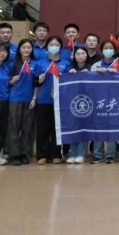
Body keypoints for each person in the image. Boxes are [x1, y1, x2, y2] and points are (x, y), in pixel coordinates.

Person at [33, 36, 68, 165]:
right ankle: (42, 155)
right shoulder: (40, 63)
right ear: (47, 47)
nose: (54, 47)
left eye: (56, 45)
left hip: (60, 101)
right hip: (44, 99)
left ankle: (56, 154)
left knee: (57, 128)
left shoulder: (65, 63)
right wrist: (39, 80)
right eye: (51, 45)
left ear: (61, 48)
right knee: (42, 128)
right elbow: (35, 82)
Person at [7, 39, 36, 166]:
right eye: (24, 47)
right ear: (19, 49)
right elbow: (7, 81)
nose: (26, 50)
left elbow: (36, 83)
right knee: (14, 128)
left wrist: (34, 98)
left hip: (29, 100)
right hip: (15, 99)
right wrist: (12, 80)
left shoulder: (35, 64)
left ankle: (25, 153)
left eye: (29, 47)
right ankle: (14, 154)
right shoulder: (13, 64)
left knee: (27, 128)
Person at [65, 46, 93, 164]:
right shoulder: (69, 68)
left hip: (88, 102)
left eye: (83, 53)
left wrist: (90, 74)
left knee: (84, 128)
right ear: (74, 56)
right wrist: (69, 74)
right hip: (72, 102)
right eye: (78, 54)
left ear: (87, 55)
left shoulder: (91, 68)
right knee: (73, 127)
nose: (80, 56)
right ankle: (73, 153)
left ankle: (81, 153)